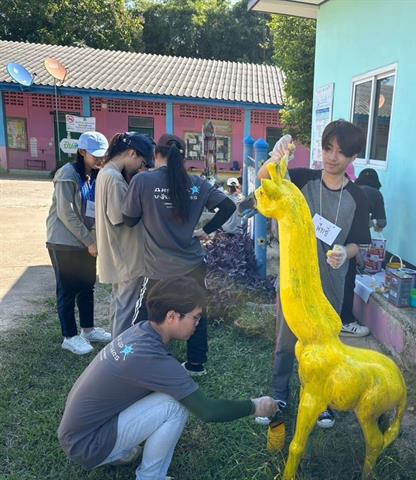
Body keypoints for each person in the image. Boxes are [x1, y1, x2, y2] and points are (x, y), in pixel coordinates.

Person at [57, 277, 278, 479]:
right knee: (175, 404)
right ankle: (149, 476)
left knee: (172, 390)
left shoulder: (140, 330)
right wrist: (255, 406)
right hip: (87, 445)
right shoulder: (152, 357)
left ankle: (118, 451)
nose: (198, 324)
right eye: (195, 317)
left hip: (77, 435)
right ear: (172, 316)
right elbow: (209, 411)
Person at [255, 121, 371, 428]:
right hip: (294, 282)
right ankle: (279, 394)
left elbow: (359, 242)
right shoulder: (303, 180)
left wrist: (345, 253)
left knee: (323, 345)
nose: (332, 157)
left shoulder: (358, 197)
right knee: (284, 342)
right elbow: (264, 178)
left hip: (332, 284)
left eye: (342, 152)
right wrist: (278, 154)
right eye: (327, 148)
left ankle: (320, 398)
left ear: (353, 157)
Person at [123, 134, 236, 376]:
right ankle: (196, 364)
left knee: (145, 315)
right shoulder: (197, 184)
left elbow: (129, 220)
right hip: (192, 265)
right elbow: (229, 206)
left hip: (158, 268)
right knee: (196, 312)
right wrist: (204, 230)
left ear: (156, 154)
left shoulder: (143, 181)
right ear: (183, 157)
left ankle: (134, 358)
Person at [46, 131, 112, 355]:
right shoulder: (67, 174)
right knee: (67, 290)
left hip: (86, 242)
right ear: (82, 152)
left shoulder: (93, 175)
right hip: (64, 242)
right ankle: (70, 336)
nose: (100, 160)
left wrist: (93, 240)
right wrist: (89, 241)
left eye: (103, 156)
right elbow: (67, 213)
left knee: (86, 287)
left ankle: (88, 329)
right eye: (96, 156)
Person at [95, 132, 154, 338]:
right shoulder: (114, 179)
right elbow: (121, 218)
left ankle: (115, 346)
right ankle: (119, 354)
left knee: (119, 304)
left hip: (117, 253)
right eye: (141, 162)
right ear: (131, 153)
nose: (140, 167)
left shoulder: (106, 173)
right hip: (126, 255)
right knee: (127, 309)